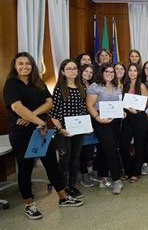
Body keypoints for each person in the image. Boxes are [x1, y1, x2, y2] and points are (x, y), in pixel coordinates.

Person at [3, 52, 82, 220]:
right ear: (15, 66)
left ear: (32, 66)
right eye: (21, 63)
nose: (25, 66)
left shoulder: (37, 82)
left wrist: (33, 117)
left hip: (42, 131)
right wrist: (39, 121)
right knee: (25, 168)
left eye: (28, 63)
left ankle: (63, 197)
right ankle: (29, 204)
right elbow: (17, 107)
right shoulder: (11, 84)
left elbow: (49, 102)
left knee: (51, 164)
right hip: (21, 133)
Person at [50, 59, 88, 199]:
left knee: (75, 158)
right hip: (64, 131)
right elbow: (53, 113)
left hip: (79, 129)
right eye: (69, 68)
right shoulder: (59, 88)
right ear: (63, 72)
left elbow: (83, 109)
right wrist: (60, 129)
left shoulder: (82, 86)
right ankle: (63, 188)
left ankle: (72, 185)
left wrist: (86, 126)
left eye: (74, 68)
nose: (72, 71)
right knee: (65, 159)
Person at [86, 63, 124, 194]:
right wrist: (97, 118)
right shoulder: (95, 87)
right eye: (107, 71)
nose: (110, 74)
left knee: (104, 149)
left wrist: (121, 111)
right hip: (101, 121)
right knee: (111, 150)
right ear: (101, 72)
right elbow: (90, 105)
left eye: (112, 72)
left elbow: (119, 103)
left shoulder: (115, 86)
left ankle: (103, 177)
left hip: (115, 122)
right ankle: (117, 180)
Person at [119, 63, 148, 183]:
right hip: (127, 118)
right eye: (130, 70)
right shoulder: (123, 86)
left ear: (138, 72)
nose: (132, 72)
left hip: (140, 118)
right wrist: (124, 110)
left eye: (134, 70)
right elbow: (120, 102)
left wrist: (135, 110)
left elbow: (145, 104)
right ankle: (127, 170)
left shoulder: (142, 86)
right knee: (123, 145)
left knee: (139, 146)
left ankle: (136, 173)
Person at [78, 64, 96, 188]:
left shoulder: (92, 85)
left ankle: (89, 171)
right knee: (81, 148)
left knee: (90, 146)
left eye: (90, 72)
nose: (88, 74)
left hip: (92, 118)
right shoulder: (77, 85)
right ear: (81, 71)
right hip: (81, 119)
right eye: (86, 71)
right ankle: (84, 173)